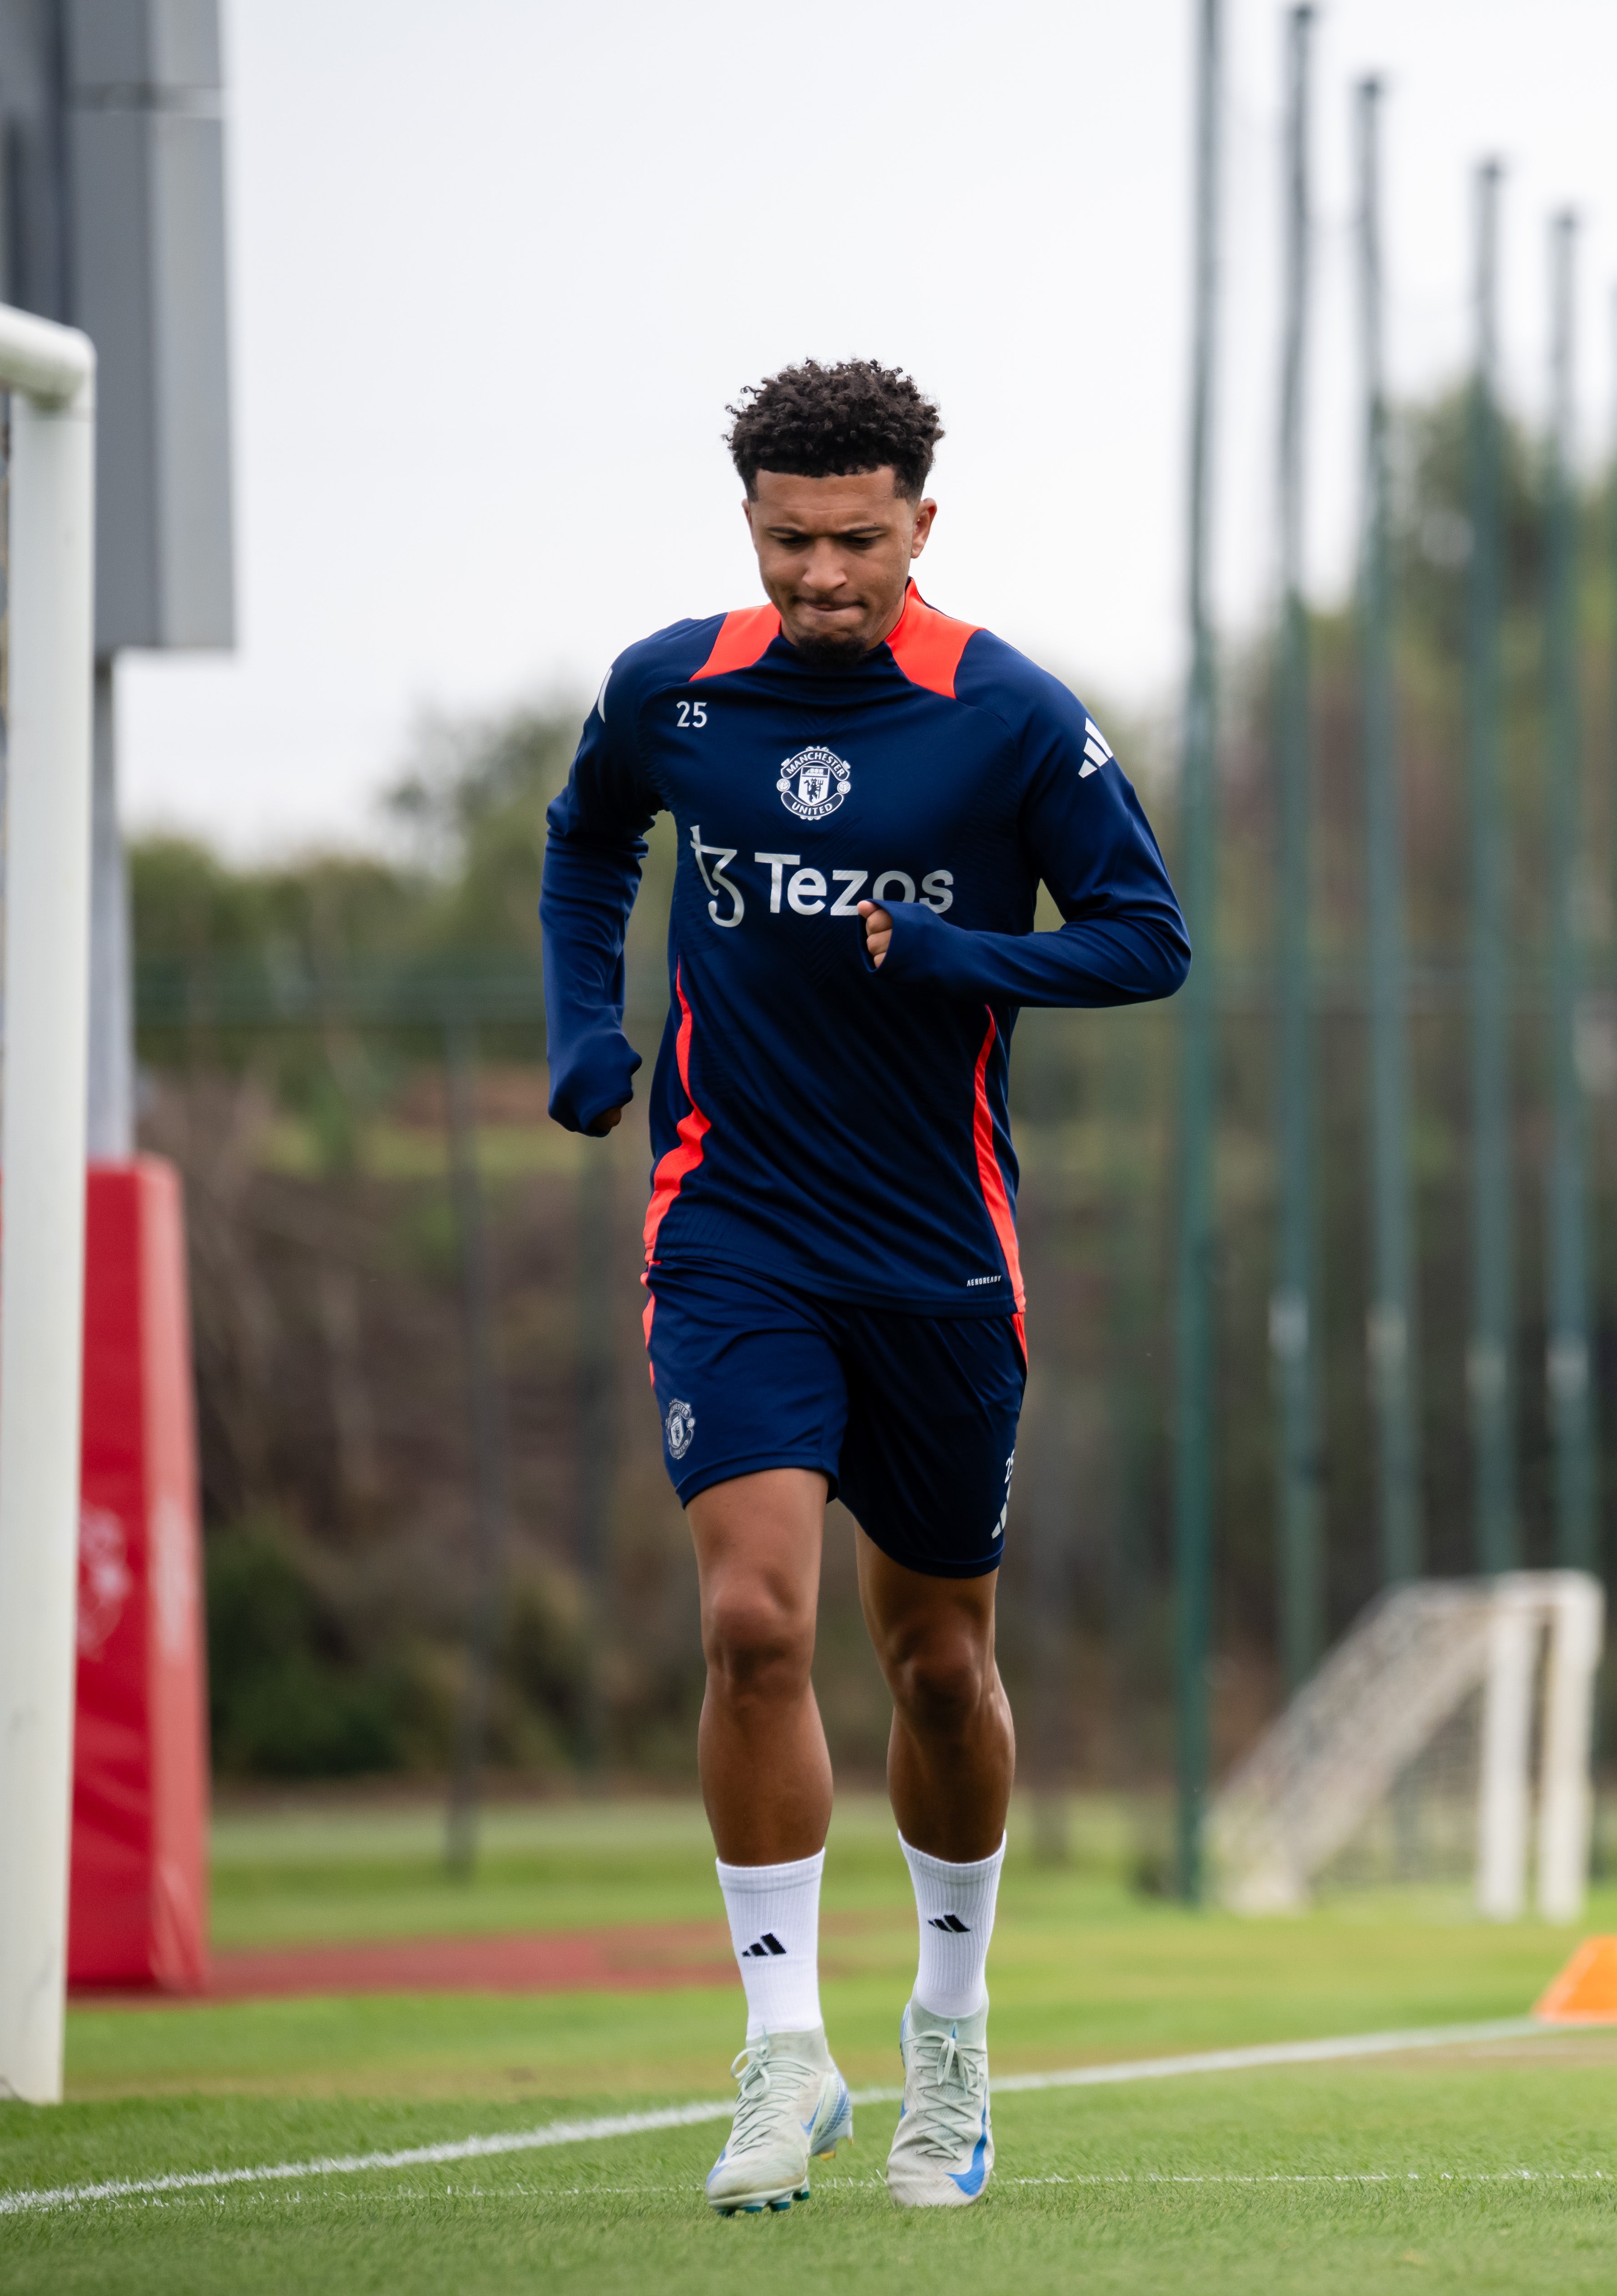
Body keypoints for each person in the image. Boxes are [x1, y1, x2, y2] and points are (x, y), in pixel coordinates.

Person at [539, 358, 1188, 2216]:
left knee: (938, 1657)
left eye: (858, 537)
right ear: (749, 521)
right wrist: (591, 1029)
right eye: (790, 538)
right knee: (752, 1621)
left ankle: (954, 2032)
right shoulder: (676, 685)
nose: (824, 573)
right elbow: (589, 841)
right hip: (734, 1228)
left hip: (938, 1255)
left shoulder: (1008, 716)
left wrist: (957, 952)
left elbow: (1151, 939)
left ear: (922, 519)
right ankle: (780, 2053)